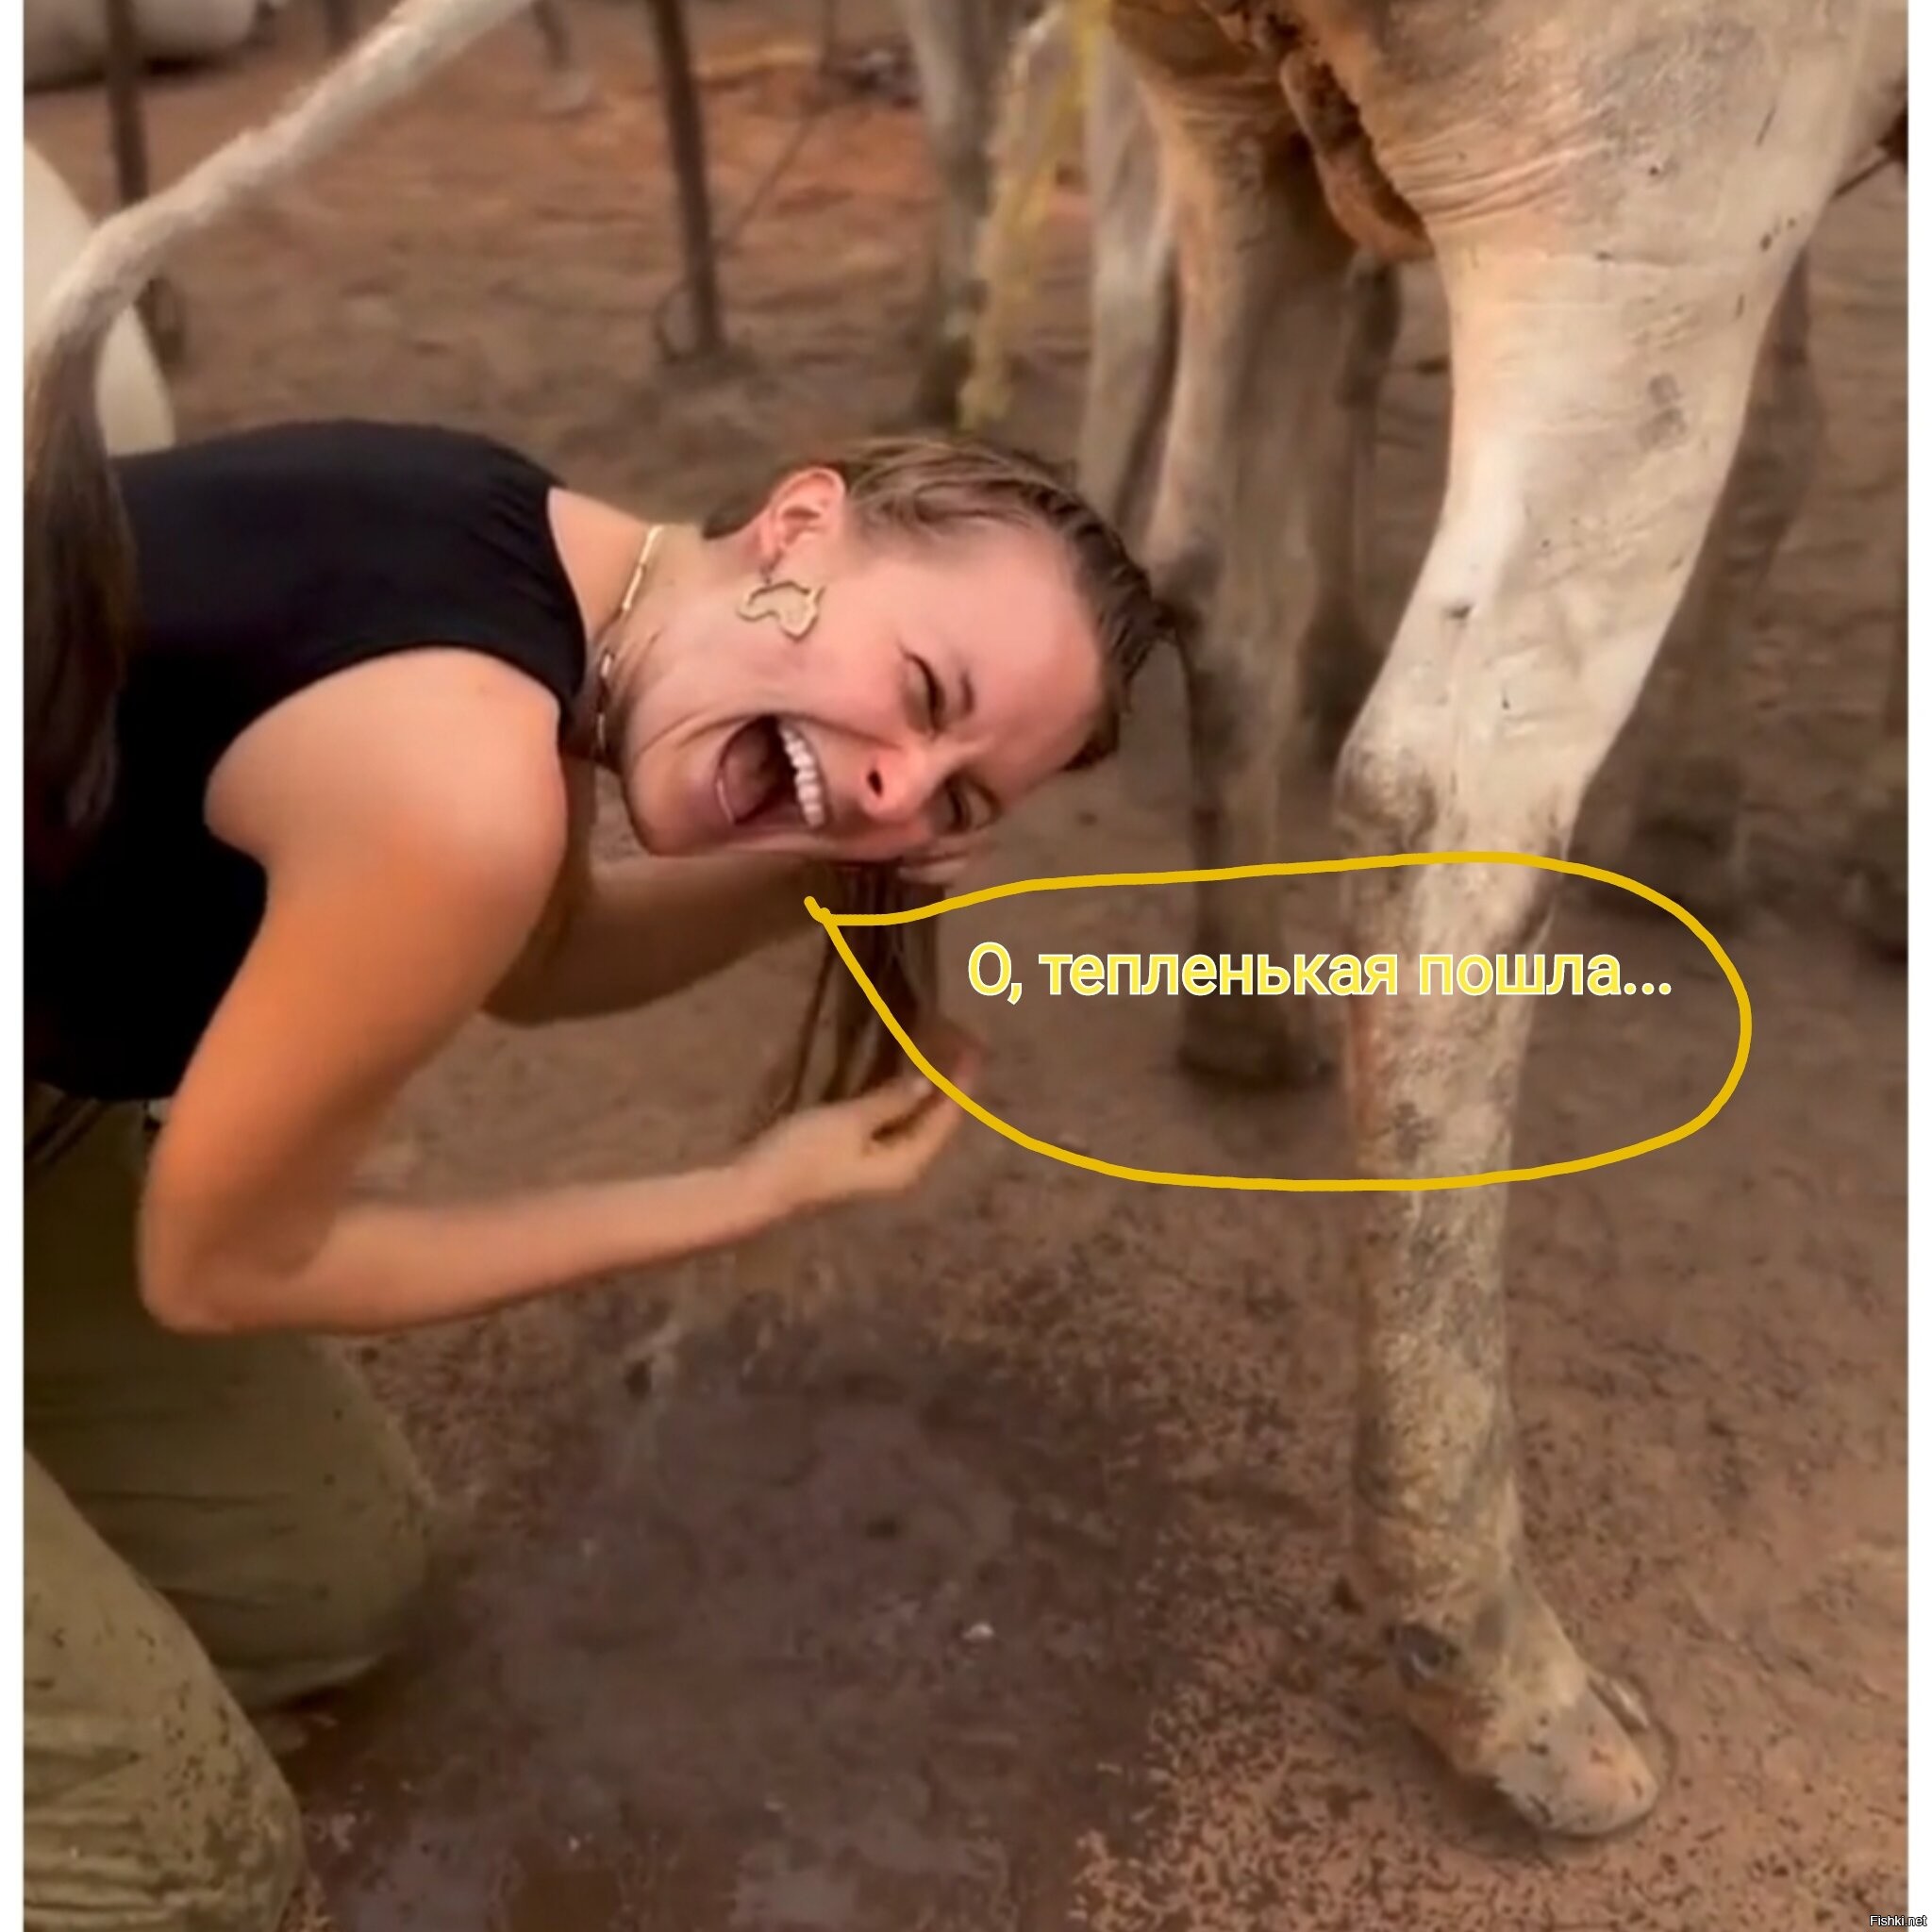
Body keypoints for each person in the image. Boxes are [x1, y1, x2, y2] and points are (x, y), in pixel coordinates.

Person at [23, 412, 1172, 1932]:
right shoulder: (460, 779)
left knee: (337, 1591)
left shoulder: (539, 564)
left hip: (45, 1129)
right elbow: (224, 1269)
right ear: (800, 526)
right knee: (190, 1872)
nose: (900, 792)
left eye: (957, 800)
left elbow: (546, 955)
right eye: (922, 692)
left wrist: (823, 872)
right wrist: (748, 1194)